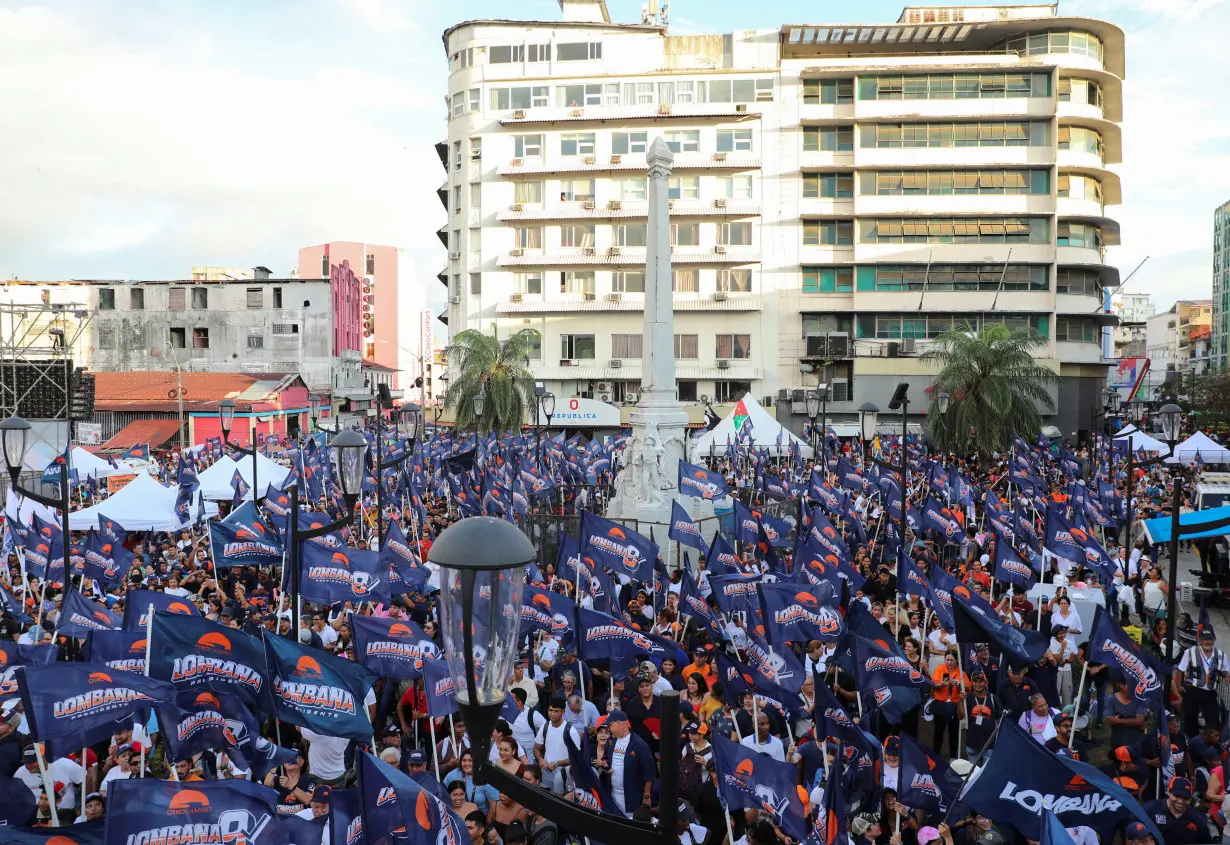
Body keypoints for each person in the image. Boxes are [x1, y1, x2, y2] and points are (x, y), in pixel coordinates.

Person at [1175, 629, 1230, 737]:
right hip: (1192, 689)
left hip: (1209, 691)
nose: (1208, 642)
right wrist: (1179, 686)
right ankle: (1192, 740)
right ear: (1200, 640)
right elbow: (1180, 669)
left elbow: (1224, 670)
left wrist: (1226, 676)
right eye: (1205, 640)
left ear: (1214, 640)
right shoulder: (1190, 652)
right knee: (1190, 717)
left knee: (1213, 718)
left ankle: (1210, 740)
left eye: (1210, 639)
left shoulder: (1221, 655)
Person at [605, 710, 655, 818]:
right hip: (613, 795)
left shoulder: (639, 745)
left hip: (631, 798)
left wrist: (646, 796)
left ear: (618, 723)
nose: (608, 730)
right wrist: (604, 766)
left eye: (610, 725)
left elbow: (649, 772)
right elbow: (606, 760)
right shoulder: (610, 742)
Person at [534, 697, 581, 797]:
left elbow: (576, 758)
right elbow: (537, 748)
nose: (552, 714)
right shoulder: (545, 726)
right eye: (550, 710)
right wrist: (541, 759)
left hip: (565, 774)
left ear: (563, 712)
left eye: (556, 711)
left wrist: (557, 763)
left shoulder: (571, 731)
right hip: (547, 773)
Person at [1143, 777, 1210, 845]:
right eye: (1177, 796)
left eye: (1185, 798)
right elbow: (1135, 835)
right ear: (1169, 792)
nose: (1181, 801)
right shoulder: (1150, 810)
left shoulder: (1198, 819)